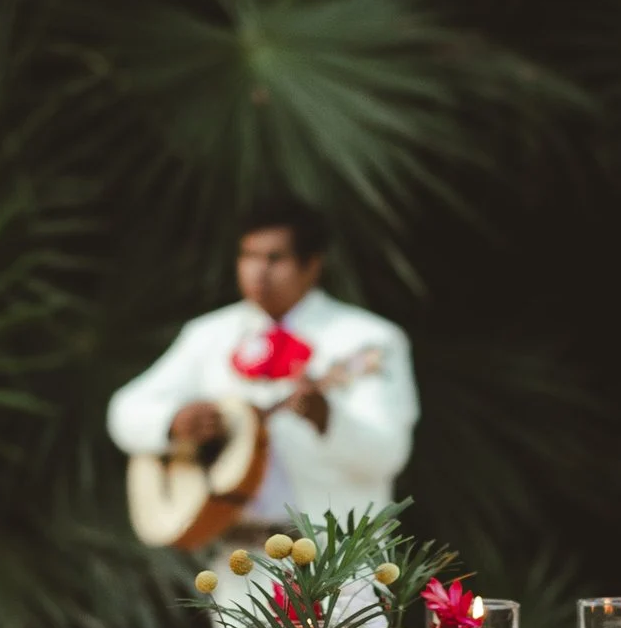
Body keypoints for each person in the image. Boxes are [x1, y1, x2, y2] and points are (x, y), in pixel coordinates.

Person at [106, 194, 418, 548]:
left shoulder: (368, 339)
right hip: (240, 564)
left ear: (312, 265)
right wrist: (172, 421)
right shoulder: (209, 334)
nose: (258, 271)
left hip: (338, 561)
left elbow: (390, 453)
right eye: (248, 256)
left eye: (274, 258)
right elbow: (123, 411)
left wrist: (327, 418)